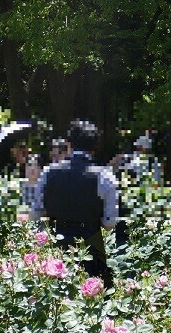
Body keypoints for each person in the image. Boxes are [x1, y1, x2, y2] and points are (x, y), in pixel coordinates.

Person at [33, 120, 119, 285]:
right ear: (95, 147)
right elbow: (109, 223)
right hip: (90, 246)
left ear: (69, 144)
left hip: (56, 246)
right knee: (93, 297)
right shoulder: (105, 176)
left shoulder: (48, 173)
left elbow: (37, 211)